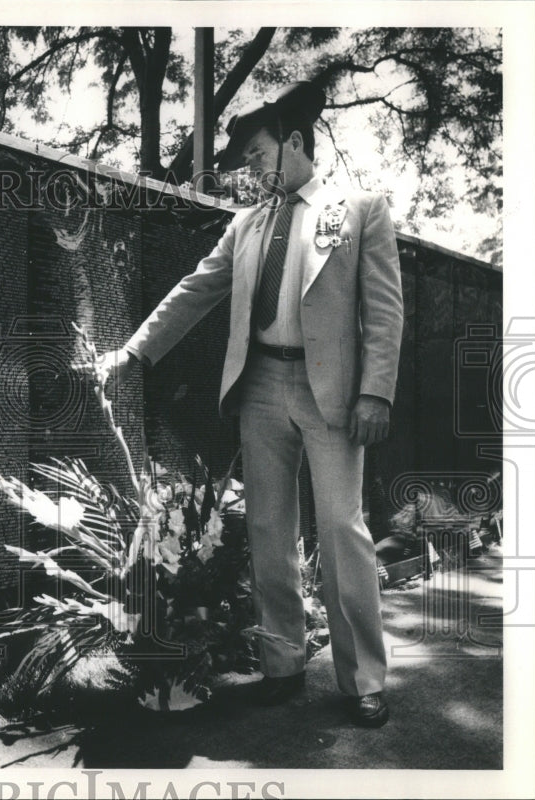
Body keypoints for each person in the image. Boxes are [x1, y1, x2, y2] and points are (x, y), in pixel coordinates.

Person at [103, 82, 403, 728]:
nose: (253, 169)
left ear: (294, 143)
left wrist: (375, 391)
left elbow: (383, 312)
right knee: (269, 530)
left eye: (261, 153)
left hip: (333, 395)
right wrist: (133, 353)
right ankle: (282, 665)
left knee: (343, 531)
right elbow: (195, 290)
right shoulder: (245, 225)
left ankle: (364, 680)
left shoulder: (360, 210)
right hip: (260, 386)